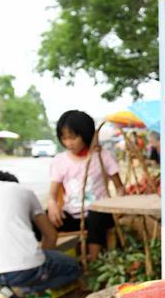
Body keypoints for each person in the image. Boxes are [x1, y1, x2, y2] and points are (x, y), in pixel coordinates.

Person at [48, 110, 125, 263]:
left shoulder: (102, 156)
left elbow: (120, 188)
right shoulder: (60, 161)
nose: (68, 143)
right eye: (64, 138)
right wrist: (52, 205)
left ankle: (93, 263)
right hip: (73, 214)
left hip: (101, 214)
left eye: (73, 137)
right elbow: (52, 195)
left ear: (85, 134)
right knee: (41, 220)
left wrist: (118, 209)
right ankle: (51, 262)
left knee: (95, 215)